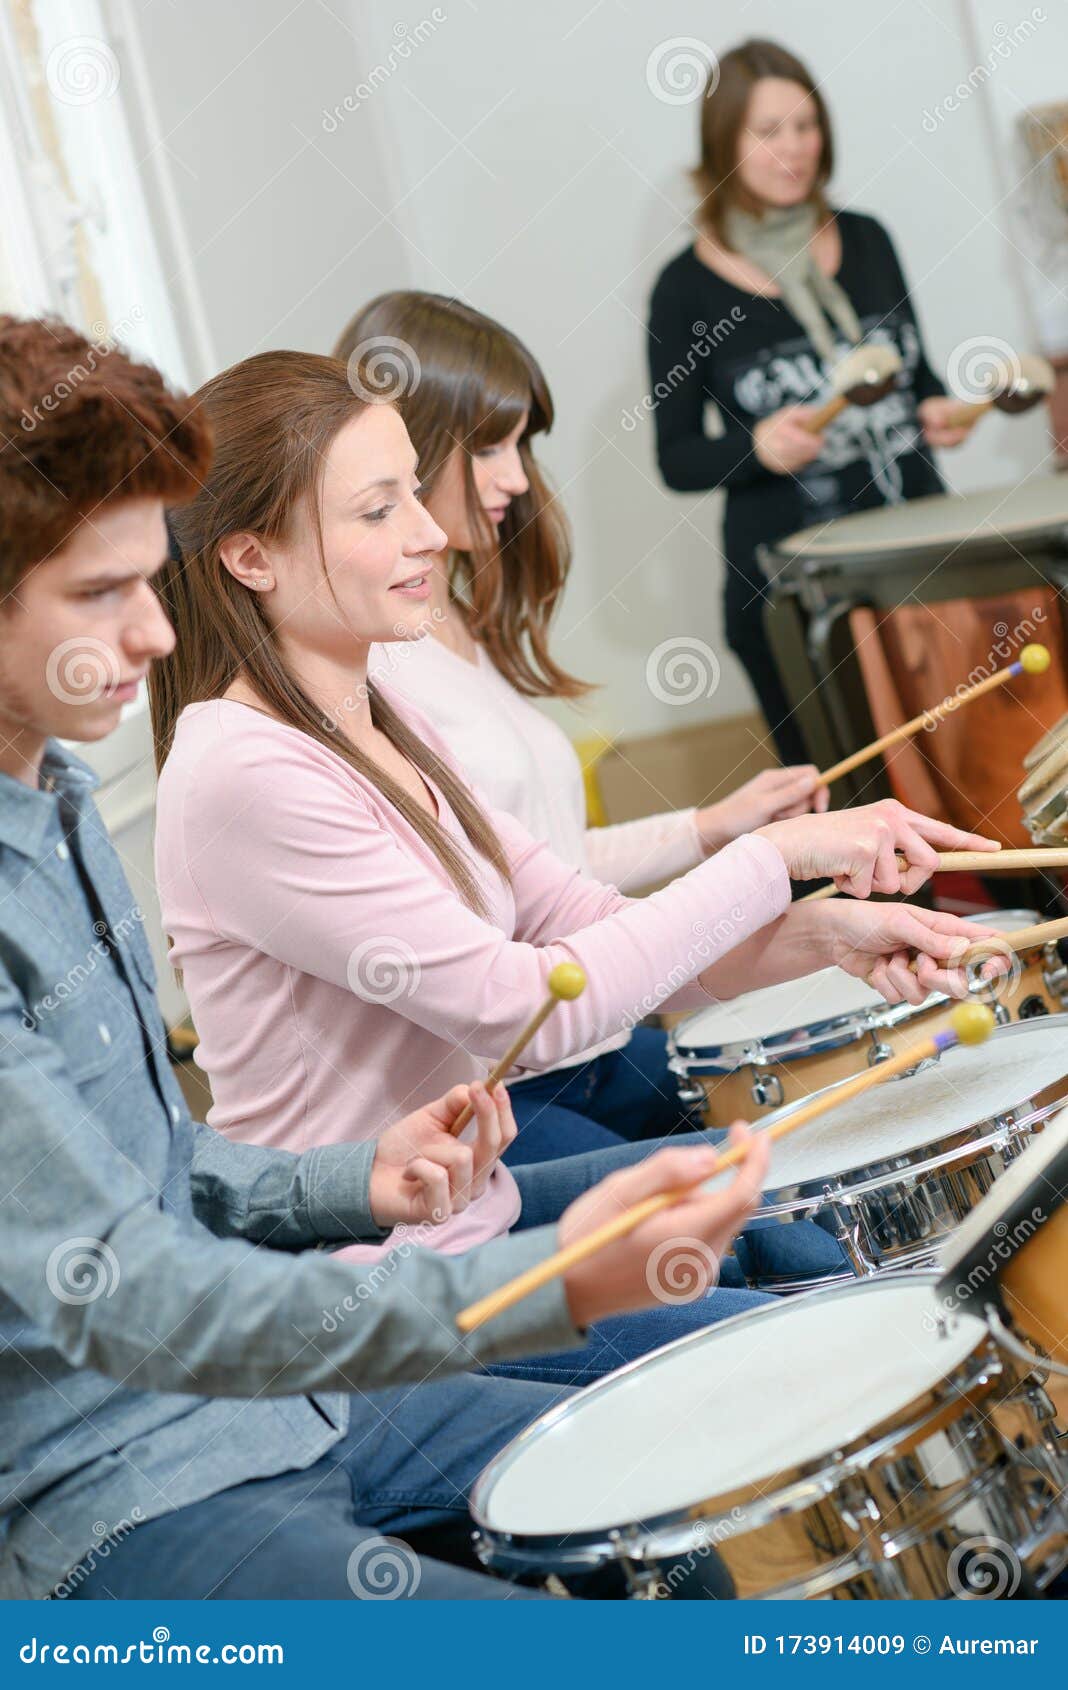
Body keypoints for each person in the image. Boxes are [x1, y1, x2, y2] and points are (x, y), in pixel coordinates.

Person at [0, 313, 773, 1603]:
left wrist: (356, 1179)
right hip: (118, 1490)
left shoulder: (65, 802)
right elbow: (131, 1295)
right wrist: (552, 1279)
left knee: (666, 1529)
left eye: (149, 581)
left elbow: (160, 1163)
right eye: (99, 593)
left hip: (285, 1403)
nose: (149, 634)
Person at [149, 346, 1003, 1374]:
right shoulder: (242, 768)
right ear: (252, 557)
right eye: (378, 512)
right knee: (798, 1349)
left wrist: (831, 936)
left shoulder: (378, 707)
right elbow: (523, 1003)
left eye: (416, 497)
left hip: (477, 1217)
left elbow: (580, 919)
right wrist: (771, 853)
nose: (429, 533)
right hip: (369, 1293)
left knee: (804, 1237)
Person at [334, 289, 830, 1166]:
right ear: (403, 449)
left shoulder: (453, 621)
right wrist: (758, 869)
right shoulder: (373, 669)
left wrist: (711, 827)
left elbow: (536, 867)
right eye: (488, 446)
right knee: (765, 1219)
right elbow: (490, 924)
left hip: (584, 1052)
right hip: (504, 1083)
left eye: (521, 444)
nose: (518, 477)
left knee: (808, 1139)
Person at [647, 38, 968, 763]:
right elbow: (676, 458)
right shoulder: (684, 289)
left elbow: (919, 378)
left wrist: (939, 410)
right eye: (768, 132)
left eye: (806, 126)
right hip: (794, 599)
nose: (793, 148)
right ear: (722, 142)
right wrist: (755, 448)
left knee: (974, 773)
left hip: (919, 563)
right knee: (855, 807)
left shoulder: (868, 239)